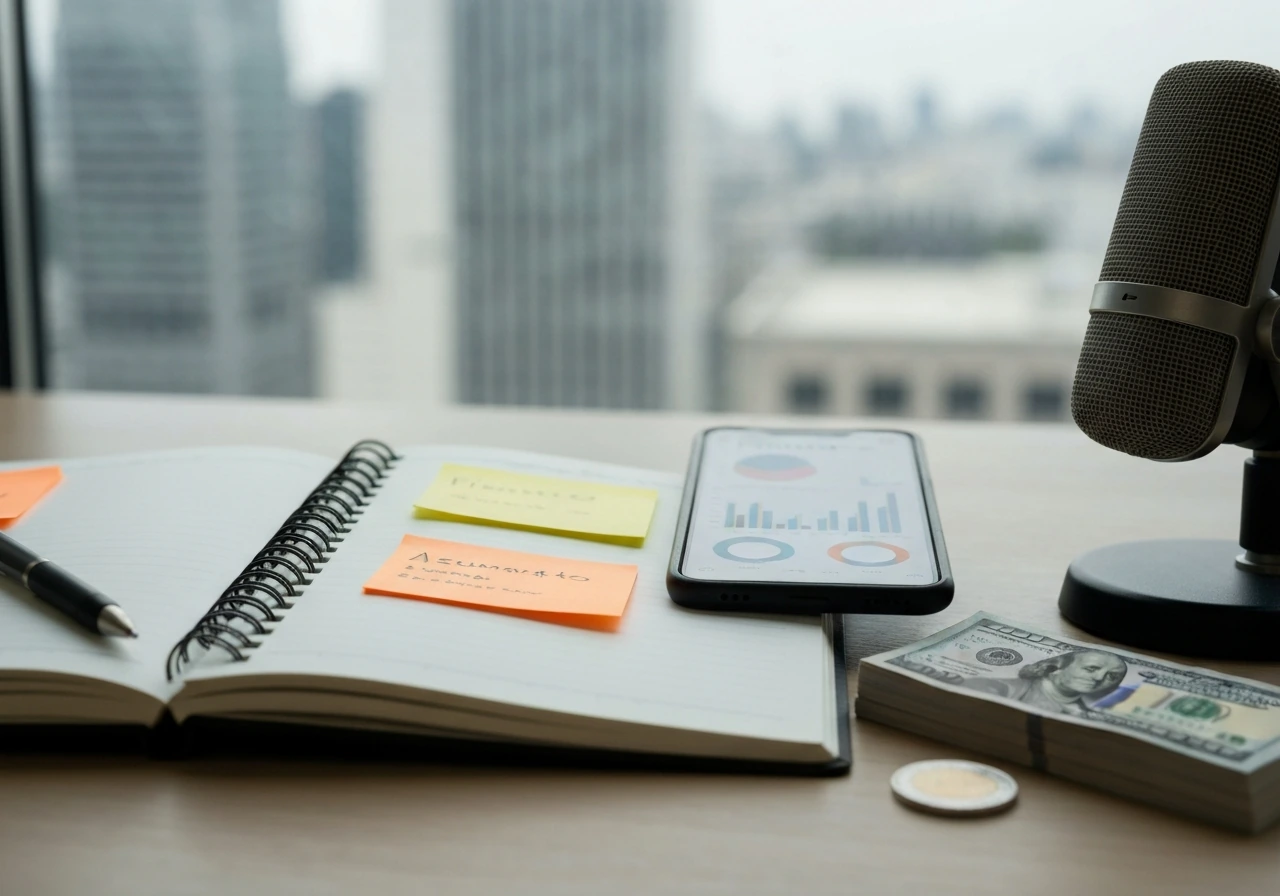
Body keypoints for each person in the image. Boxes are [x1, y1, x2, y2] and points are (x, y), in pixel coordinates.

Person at [962, 649, 1128, 715]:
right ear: (1056, 667)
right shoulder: (993, 688)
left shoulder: (1087, 714)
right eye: (1091, 669)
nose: (1099, 678)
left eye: (1112, 676)